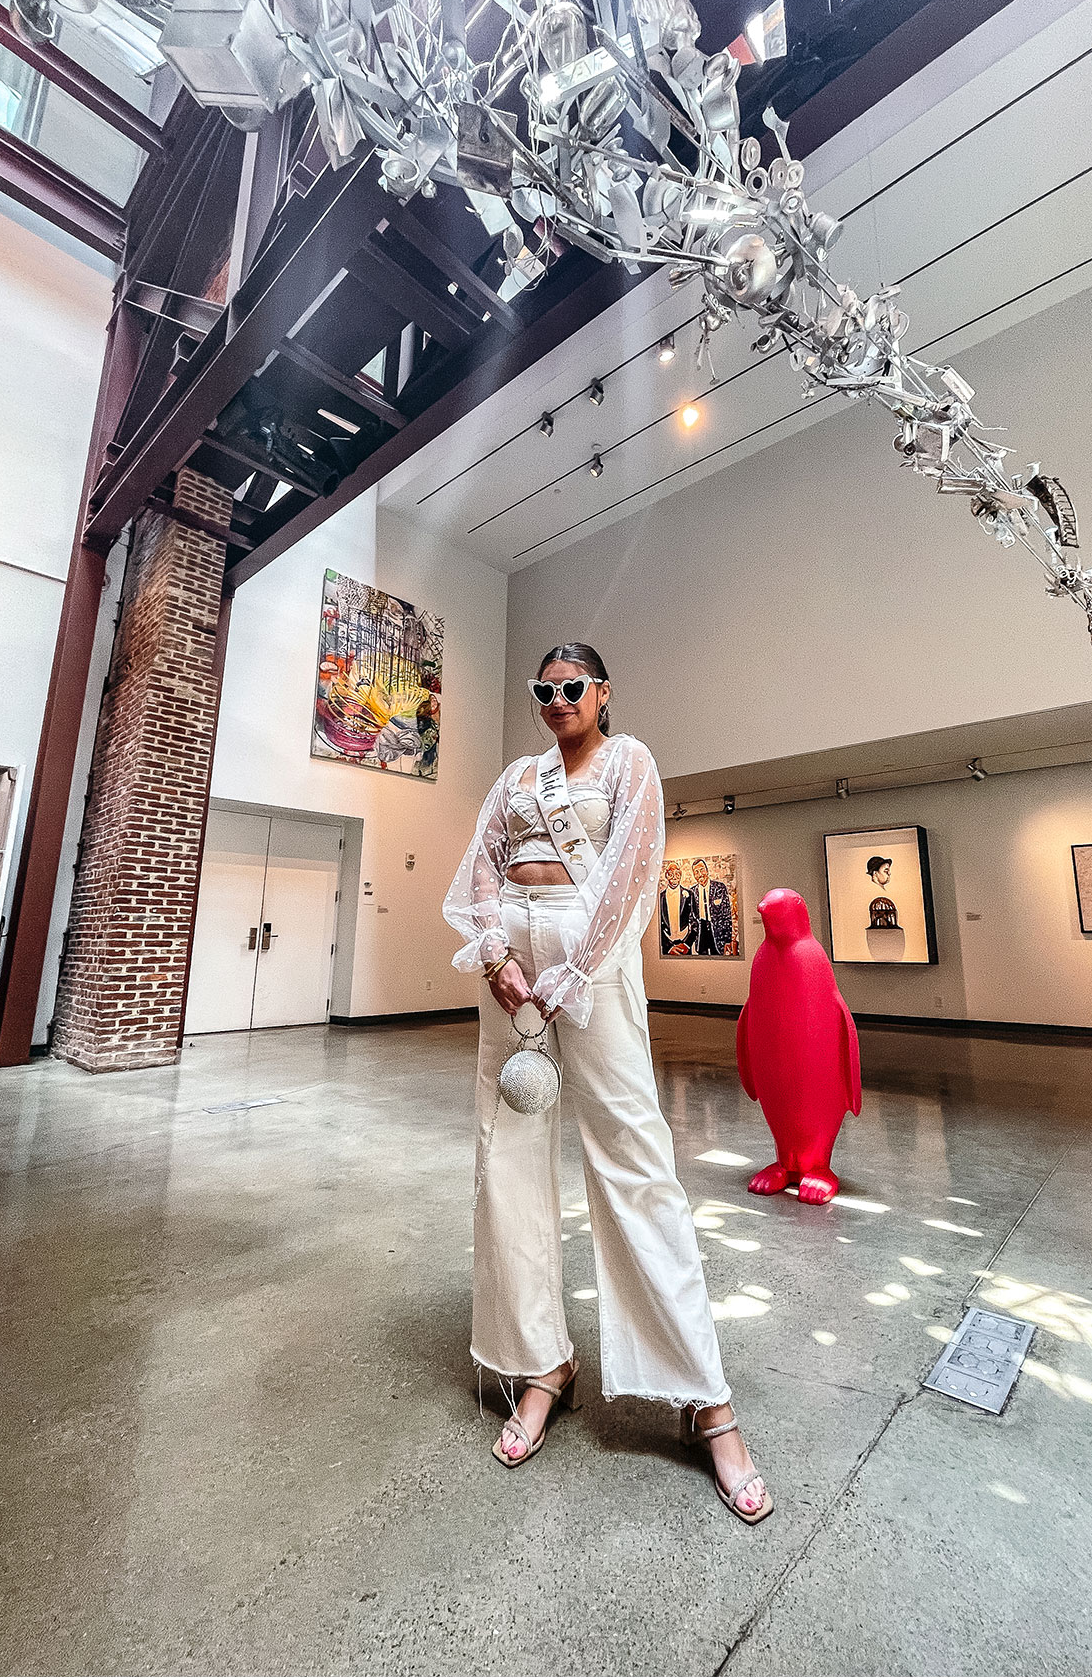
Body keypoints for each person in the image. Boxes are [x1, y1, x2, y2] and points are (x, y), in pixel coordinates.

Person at [443, 643, 771, 1523]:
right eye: (542, 690)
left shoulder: (630, 762)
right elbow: (481, 862)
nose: (556, 700)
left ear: (602, 692)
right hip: (510, 967)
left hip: (590, 967)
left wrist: (570, 971)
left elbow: (630, 872)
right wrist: (497, 956)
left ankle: (704, 1397)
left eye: (571, 687)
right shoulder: (517, 774)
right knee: (504, 1154)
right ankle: (541, 1363)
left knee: (632, 1157)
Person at [685, 856, 734, 956]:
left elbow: (726, 915)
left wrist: (727, 939)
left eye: (701, 870)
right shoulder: (691, 892)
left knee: (719, 958)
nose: (699, 874)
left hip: (717, 932)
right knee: (703, 960)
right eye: (696, 872)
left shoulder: (719, 888)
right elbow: (691, 917)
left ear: (707, 871)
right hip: (701, 931)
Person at [659, 862, 692, 955]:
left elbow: (695, 922)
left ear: (680, 875)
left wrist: (687, 944)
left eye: (677, 873)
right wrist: (668, 946)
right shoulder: (660, 897)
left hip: (684, 944)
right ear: (666, 875)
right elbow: (659, 925)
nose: (674, 877)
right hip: (667, 945)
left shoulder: (689, 894)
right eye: (671, 874)